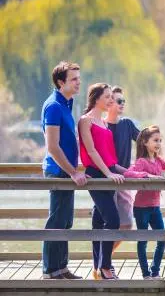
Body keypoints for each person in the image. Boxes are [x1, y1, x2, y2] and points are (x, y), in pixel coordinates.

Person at [41, 61, 88, 280]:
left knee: (66, 220)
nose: (79, 83)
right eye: (74, 79)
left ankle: (61, 268)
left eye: (79, 78)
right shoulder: (53, 106)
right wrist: (72, 172)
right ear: (61, 82)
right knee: (57, 220)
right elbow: (52, 147)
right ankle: (51, 271)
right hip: (59, 171)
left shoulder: (66, 104)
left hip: (67, 171)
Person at [78, 83, 126, 280]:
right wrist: (108, 174)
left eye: (111, 98)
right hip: (97, 175)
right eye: (107, 97)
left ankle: (97, 267)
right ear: (96, 98)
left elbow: (110, 158)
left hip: (108, 173)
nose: (111, 101)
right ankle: (106, 266)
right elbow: (91, 151)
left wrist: (130, 172)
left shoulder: (105, 124)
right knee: (113, 220)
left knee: (99, 221)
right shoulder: (85, 121)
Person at [124, 125, 165, 280]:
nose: (158, 144)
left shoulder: (158, 160)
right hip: (141, 208)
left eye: (160, 141)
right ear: (144, 142)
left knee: (162, 238)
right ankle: (145, 274)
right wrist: (146, 176)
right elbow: (129, 173)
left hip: (155, 207)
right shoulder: (142, 161)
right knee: (143, 240)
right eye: (155, 140)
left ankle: (155, 270)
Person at [99, 86, 140, 279]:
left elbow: (144, 142)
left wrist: (152, 165)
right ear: (109, 104)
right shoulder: (101, 126)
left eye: (124, 101)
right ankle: (104, 263)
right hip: (107, 180)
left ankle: (103, 259)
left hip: (124, 181)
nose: (122, 104)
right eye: (118, 101)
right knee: (110, 223)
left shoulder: (127, 124)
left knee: (126, 225)